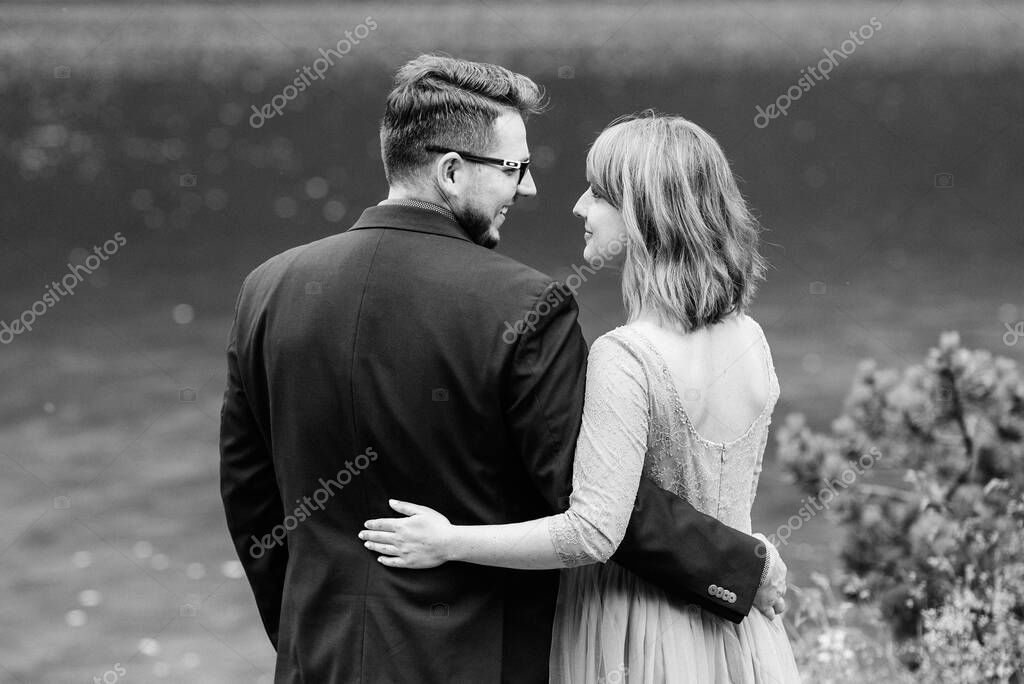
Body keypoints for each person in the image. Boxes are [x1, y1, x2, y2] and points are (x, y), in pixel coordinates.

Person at [220, 55, 785, 684]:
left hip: (315, 658)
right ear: (452, 172)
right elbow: (588, 494)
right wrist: (739, 566)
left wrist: (301, 631)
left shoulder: (267, 289)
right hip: (477, 662)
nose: (531, 188)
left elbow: (251, 500)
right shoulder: (525, 306)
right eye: (514, 169)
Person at [359, 111, 801, 683]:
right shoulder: (751, 338)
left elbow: (592, 532)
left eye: (598, 193)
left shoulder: (626, 355)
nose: (578, 206)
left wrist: (447, 542)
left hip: (636, 629)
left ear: (642, 212)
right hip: (739, 625)